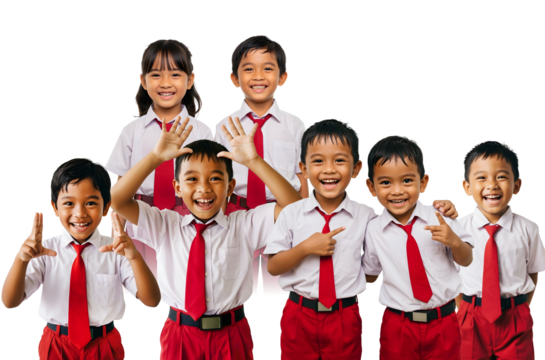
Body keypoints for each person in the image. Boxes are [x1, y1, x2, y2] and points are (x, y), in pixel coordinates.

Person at [109, 116, 301, 359]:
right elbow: (115, 199)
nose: (204, 188)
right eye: (192, 179)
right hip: (180, 334)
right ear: (178, 188)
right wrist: (156, 157)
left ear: (230, 188)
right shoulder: (165, 224)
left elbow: (295, 210)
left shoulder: (244, 224)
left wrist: (254, 161)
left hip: (231, 334)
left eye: (215, 178)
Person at [264, 120, 460, 359]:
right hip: (299, 313)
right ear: (304, 169)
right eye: (318, 161)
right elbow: (273, 267)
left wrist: (441, 206)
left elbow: (381, 254)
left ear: (357, 169)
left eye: (339, 160)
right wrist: (305, 248)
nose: (329, 169)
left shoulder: (368, 216)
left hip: (344, 315)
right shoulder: (291, 214)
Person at [1, 157, 160, 360]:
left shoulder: (117, 249)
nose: (80, 213)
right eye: (69, 203)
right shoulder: (44, 250)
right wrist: (20, 259)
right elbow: (9, 302)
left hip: (104, 345)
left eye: (91, 203)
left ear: (106, 208)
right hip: (56, 345)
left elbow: (152, 301)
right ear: (55, 208)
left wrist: (135, 257)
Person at [106, 37, 213, 282]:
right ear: (143, 80)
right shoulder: (131, 131)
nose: (166, 83)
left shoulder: (202, 131)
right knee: (142, 285)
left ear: (190, 79)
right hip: (139, 217)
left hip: (188, 218)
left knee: (184, 285)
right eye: (156, 75)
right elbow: (121, 187)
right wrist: (118, 232)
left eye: (175, 74)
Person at [362, 134, 473, 360]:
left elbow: (466, 259)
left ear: (423, 183)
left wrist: (454, 241)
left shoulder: (441, 218)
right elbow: (371, 275)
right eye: (385, 182)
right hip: (398, 325)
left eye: (407, 181)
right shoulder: (373, 230)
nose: (397, 191)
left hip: (443, 321)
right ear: (371, 187)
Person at [214, 33, 308, 297]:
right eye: (248, 69)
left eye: (268, 68)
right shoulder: (224, 126)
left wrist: (304, 220)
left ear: (282, 78)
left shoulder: (295, 125)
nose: (258, 76)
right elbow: (217, 177)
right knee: (235, 285)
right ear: (234, 79)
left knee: (283, 286)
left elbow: (302, 176)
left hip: (281, 212)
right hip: (237, 210)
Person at [457, 139, 545, 360]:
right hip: (469, 314)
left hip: (514, 316)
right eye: (481, 178)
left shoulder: (529, 228)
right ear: (467, 187)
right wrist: (461, 309)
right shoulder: (458, 229)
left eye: (502, 177)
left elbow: (532, 271)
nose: (492, 185)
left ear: (517, 186)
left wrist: (520, 308)